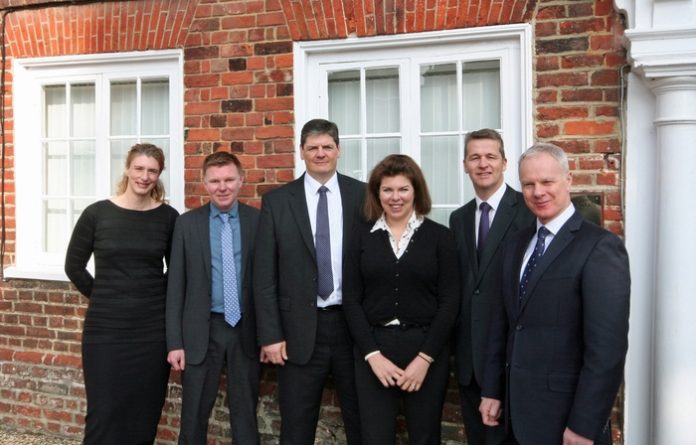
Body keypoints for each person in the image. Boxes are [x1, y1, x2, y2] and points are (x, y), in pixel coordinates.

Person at [479, 143, 631, 445]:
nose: (538, 192)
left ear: (568, 180)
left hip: (568, 423)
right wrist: (492, 390)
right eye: (529, 184)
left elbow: (607, 350)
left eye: (547, 181)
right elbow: (503, 324)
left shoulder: (600, 247)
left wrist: (585, 425)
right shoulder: (516, 244)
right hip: (514, 418)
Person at [254, 118, 364, 445]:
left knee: (362, 423)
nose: (320, 153)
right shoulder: (277, 201)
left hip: (352, 328)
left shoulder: (362, 195)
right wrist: (271, 335)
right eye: (313, 147)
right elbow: (264, 275)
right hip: (297, 331)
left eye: (327, 147)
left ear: (338, 150)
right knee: (296, 427)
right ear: (301, 151)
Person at [64, 143, 179, 445]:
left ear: (159, 174)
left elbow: (177, 271)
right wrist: (104, 296)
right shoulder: (97, 214)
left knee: (144, 413)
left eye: (152, 171)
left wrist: (151, 297)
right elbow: (73, 266)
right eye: (139, 168)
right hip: (105, 332)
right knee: (104, 413)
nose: (144, 176)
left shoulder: (168, 218)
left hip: (151, 333)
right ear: (127, 169)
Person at [343, 154, 460, 445]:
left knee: (425, 437)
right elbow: (351, 300)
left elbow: (450, 302)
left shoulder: (441, 237)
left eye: (403, 189)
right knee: (375, 438)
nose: (396, 197)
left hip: (426, 349)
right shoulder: (360, 238)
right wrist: (372, 355)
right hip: (374, 350)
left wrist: (424, 359)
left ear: (416, 191)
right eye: (388, 190)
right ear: (377, 193)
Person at [166, 151, 260, 444]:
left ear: (241, 180)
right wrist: (175, 342)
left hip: (245, 329)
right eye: (215, 181)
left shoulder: (258, 221)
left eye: (229, 179)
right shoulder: (187, 224)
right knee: (194, 413)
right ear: (204, 183)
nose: (223, 187)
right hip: (201, 330)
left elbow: (270, 281)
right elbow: (175, 286)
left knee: (245, 412)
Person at [449, 129, 533, 444]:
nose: (483, 164)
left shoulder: (528, 210)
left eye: (490, 156)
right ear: (465, 165)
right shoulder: (458, 219)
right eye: (475, 157)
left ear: (504, 162)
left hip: (513, 357)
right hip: (470, 359)